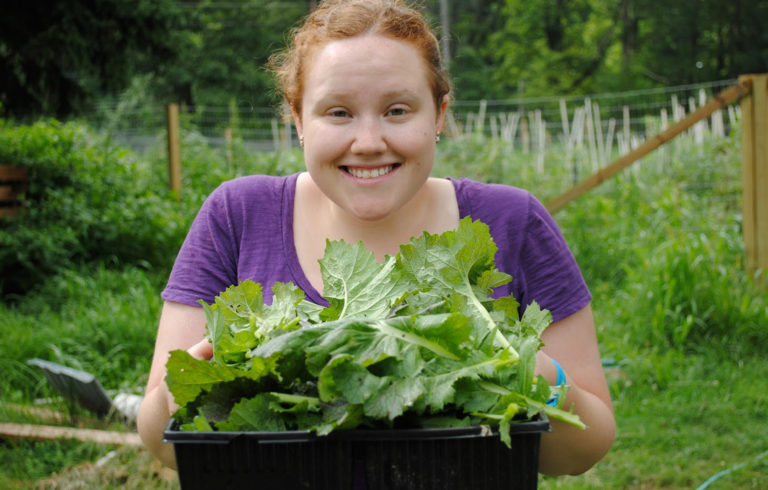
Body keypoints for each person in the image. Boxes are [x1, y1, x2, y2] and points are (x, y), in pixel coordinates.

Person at [137, 0, 615, 476]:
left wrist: (539, 376)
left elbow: (586, 448)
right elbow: (161, 442)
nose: (368, 141)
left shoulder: (514, 221)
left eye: (397, 110)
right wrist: (193, 380)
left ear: (440, 115)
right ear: (298, 118)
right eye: (339, 112)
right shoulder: (237, 216)